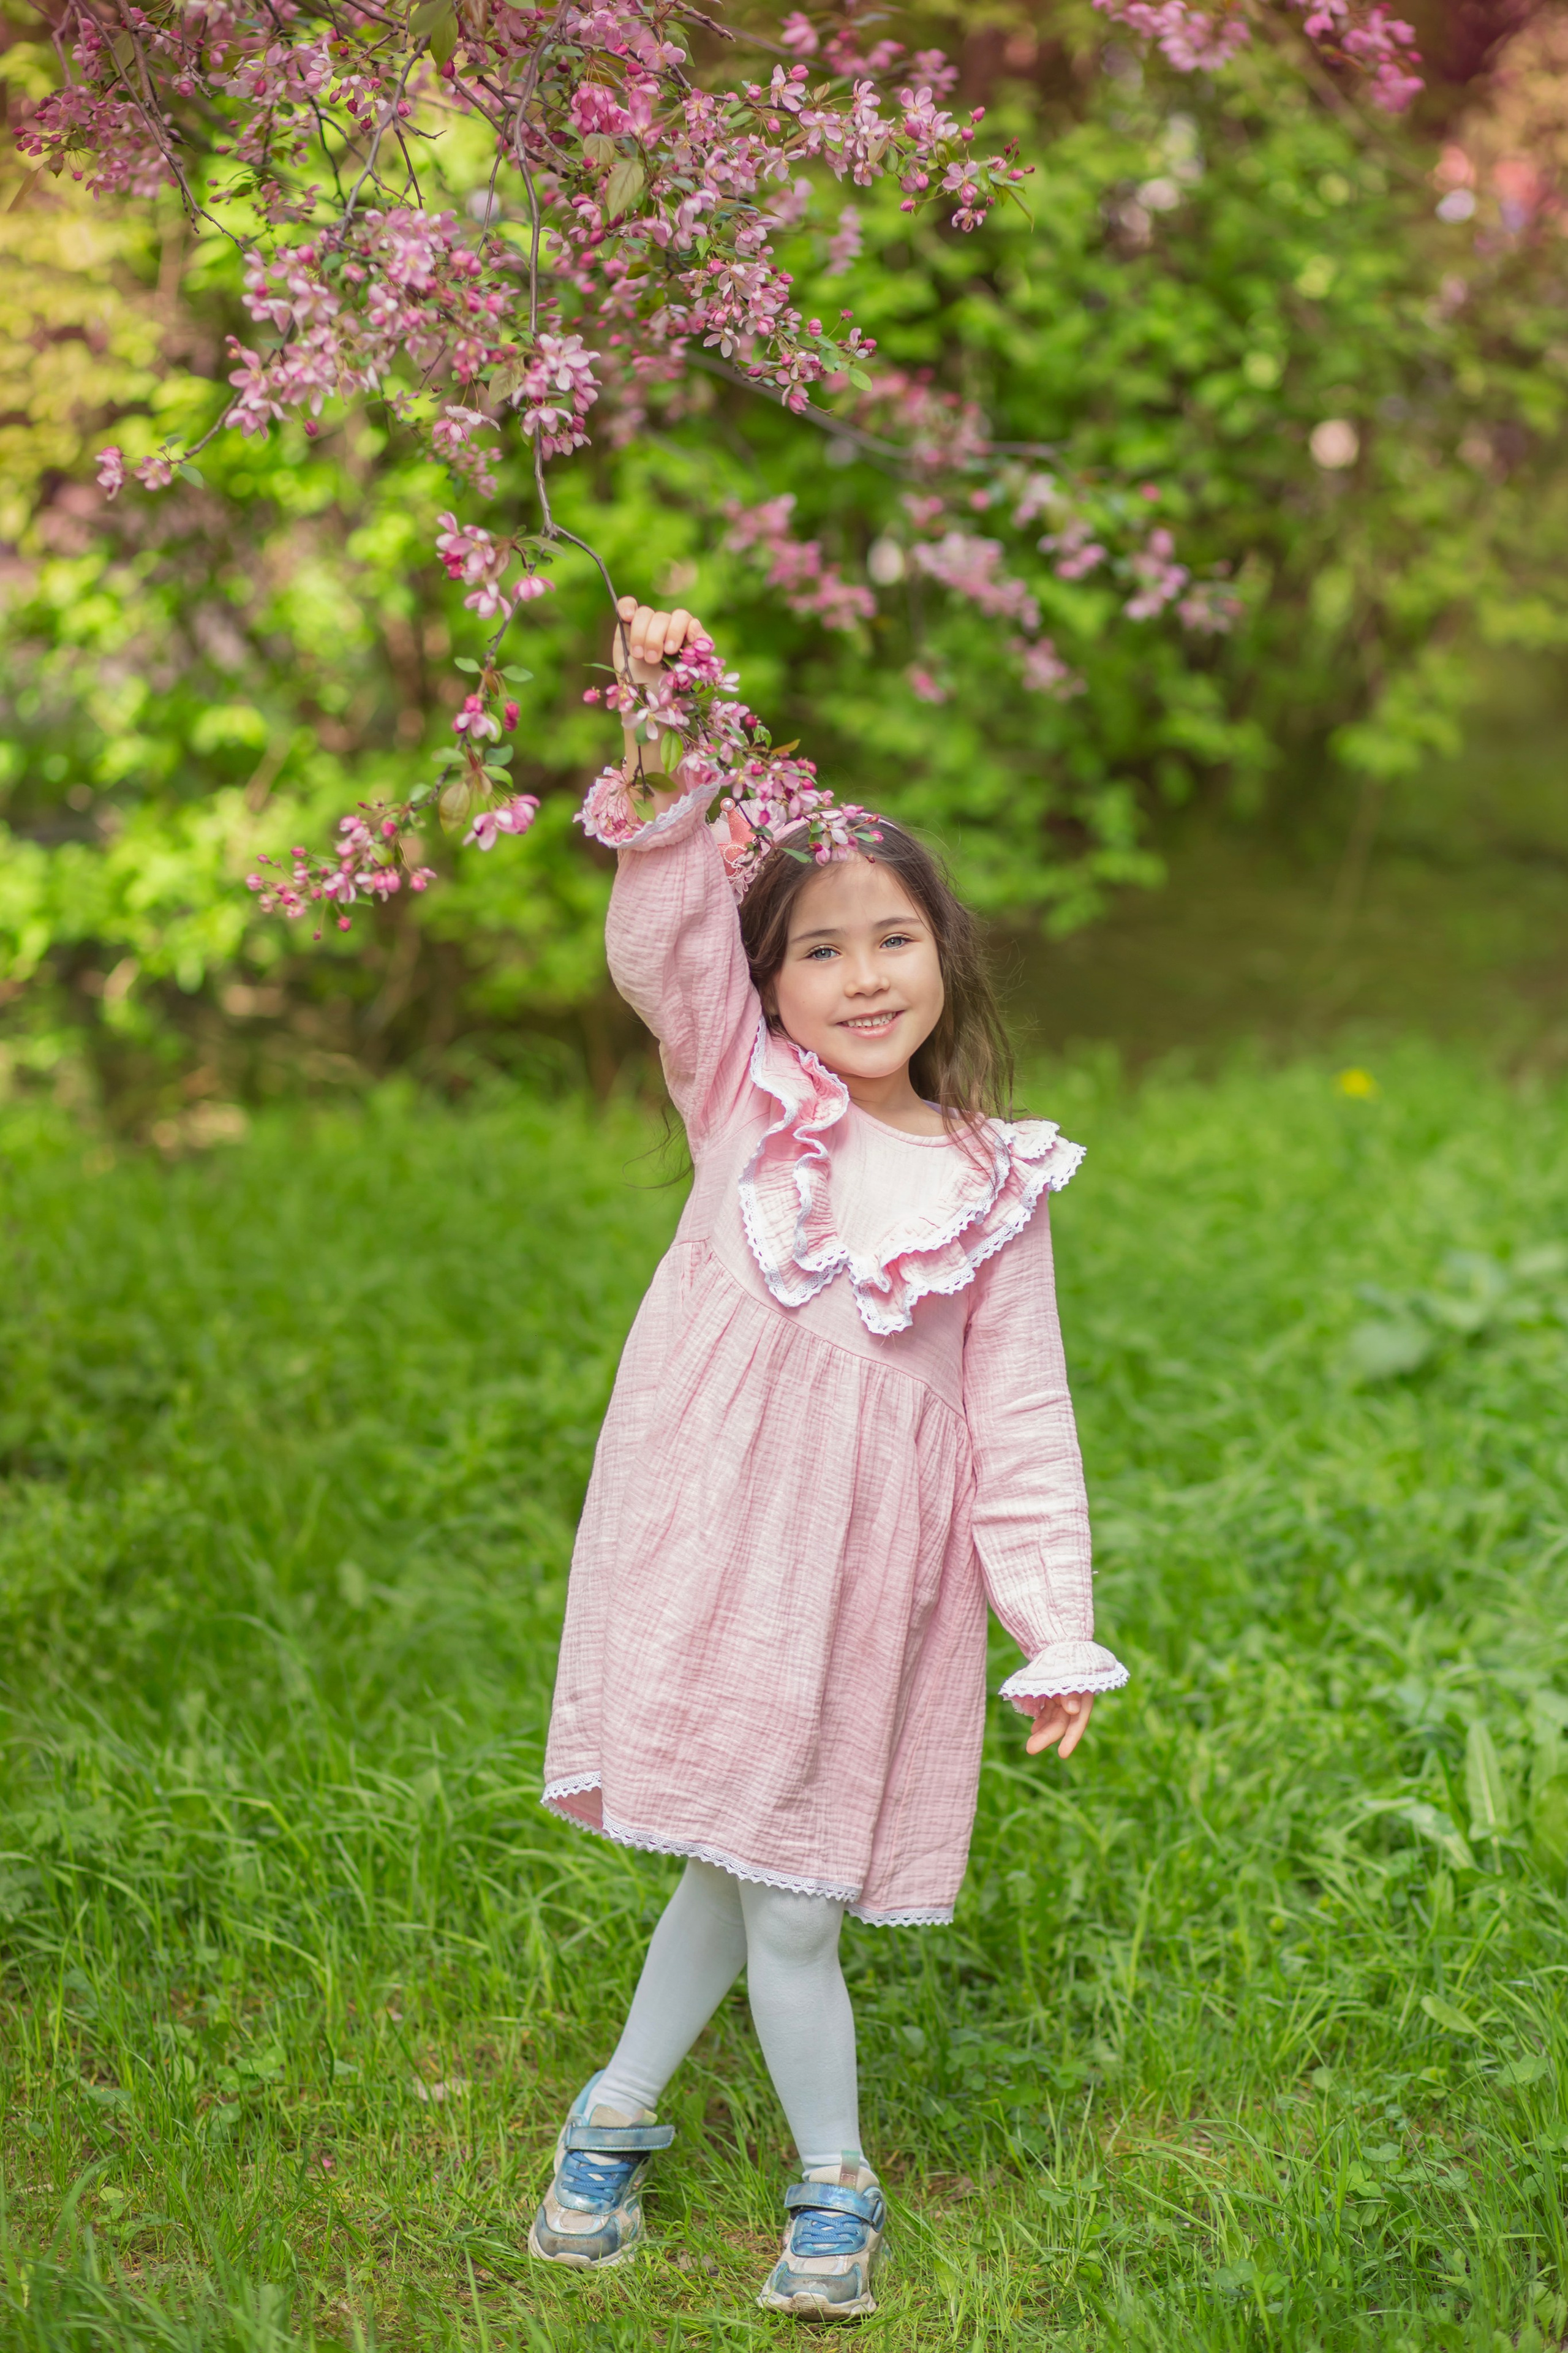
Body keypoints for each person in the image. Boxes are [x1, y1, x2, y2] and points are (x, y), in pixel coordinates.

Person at [529, 598, 1128, 2319]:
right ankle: (805, 2173)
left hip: (867, 1573)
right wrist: (663, 732)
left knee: (774, 1878)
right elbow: (664, 945)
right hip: (714, 1532)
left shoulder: (995, 1182)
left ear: (947, 955)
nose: (864, 979)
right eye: (819, 950)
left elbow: (1022, 1422)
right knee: (757, 1866)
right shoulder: (746, 1103)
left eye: (895, 940)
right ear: (769, 981)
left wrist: (1054, 1624)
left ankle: (663, 2133)